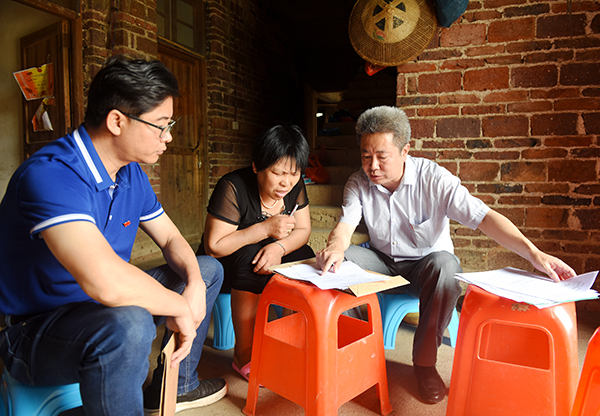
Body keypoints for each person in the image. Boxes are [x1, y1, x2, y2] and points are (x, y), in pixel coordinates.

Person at [0, 55, 227, 416]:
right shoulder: (50, 174)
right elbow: (103, 281)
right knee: (129, 325)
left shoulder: (130, 173)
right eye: (161, 126)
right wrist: (180, 306)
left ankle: (177, 386)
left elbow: (171, 240)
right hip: (36, 330)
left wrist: (195, 284)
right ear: (117, 121)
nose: (168, 137)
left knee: (207, 269)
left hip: (101, 310)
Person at [316, 105, 576, 404]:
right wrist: (335, 248)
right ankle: (354, 352)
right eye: (365, 156)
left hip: (425, 268)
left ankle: (424, 364)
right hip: (381, 263)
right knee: (335, 264)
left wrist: (534, 254)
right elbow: (346, 225)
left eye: (382, 156)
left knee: (446, 266)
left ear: (405, 151)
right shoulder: (358, 183)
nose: (372, 166)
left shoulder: (434, 179)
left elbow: (484, 217)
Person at [198, 124, 314, 381]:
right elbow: (214, 246)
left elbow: (303, 230)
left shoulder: (293, 187)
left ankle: (288, 341)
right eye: (277, 172)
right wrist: (264, 229)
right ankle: (243, 355)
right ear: (256, 166)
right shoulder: (233, 186)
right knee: (252, 262)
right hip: (226, 262)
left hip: (269, 249)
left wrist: (278, 247)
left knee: (304, 256)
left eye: (294, 173)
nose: (286, 182)